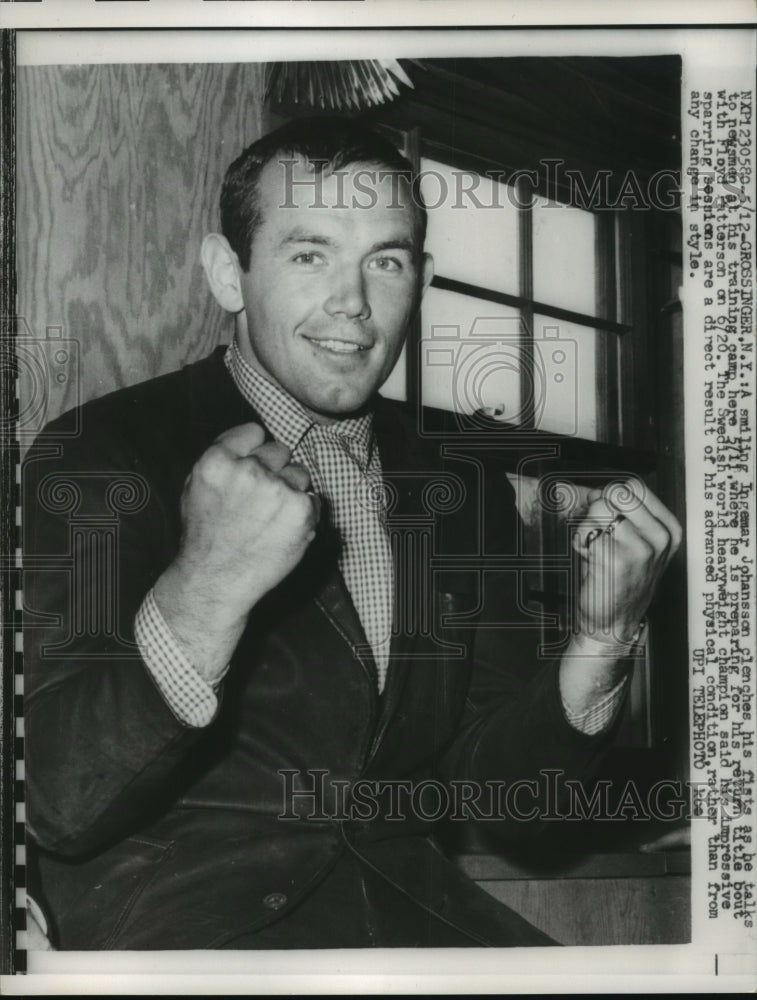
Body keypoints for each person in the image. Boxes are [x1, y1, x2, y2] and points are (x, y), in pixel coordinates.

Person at [23, 117, 682, 950]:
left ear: (421, 279)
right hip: (185, 930)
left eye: (386, 260)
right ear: (230, 274)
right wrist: (207, 587)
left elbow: (500, 797)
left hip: (411, 913)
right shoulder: (106, 450)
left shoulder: (461, 489)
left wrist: (602, 637)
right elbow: (58, 805)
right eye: (309, 254)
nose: (353, 303)